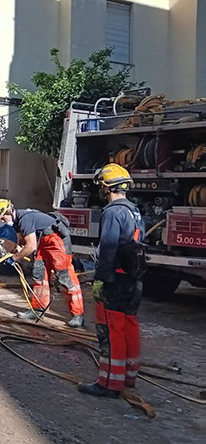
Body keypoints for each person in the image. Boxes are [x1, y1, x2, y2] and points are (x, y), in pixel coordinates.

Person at [79, 164, 145, 398]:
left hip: (115, 279)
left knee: (112, 329)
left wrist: (101, 279)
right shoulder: (134, 211)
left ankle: (109, 384)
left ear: (106, 186)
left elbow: (108, 248)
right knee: (129, 326)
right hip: (134, 280)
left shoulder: (112, 212)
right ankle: (129, 376)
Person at [0, 198, 85, 327]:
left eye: (2, 218)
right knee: (39, 275)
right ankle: (37, 310)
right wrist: (12, 252)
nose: (2, 221)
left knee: (65, 277)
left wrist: (15, 258)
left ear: (9, 211)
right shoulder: (17, 221)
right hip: (43, 242)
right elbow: (22, 242)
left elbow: (31, 246)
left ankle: (77, 314)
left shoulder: (25, 218)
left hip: (56, 241)